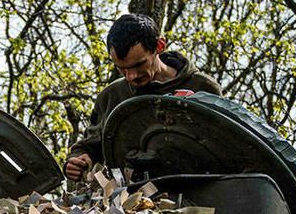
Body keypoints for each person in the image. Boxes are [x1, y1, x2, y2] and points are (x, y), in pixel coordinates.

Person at [64, 12, 222, 181]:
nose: (131, 76)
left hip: (200, 193)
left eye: (139, 65)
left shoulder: (202, 88)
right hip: (132, 200)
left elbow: (225, 146)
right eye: (122, 69)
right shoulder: (112, 96)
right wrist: (80, 160)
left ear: (159, 46)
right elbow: (91, 145)